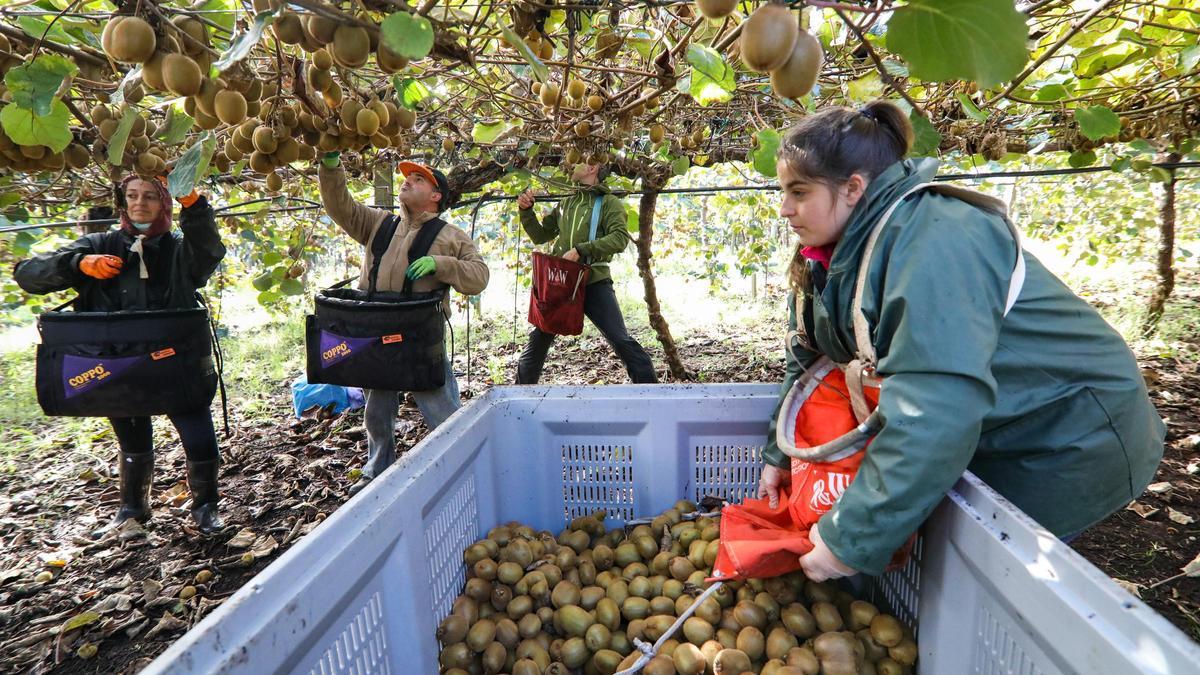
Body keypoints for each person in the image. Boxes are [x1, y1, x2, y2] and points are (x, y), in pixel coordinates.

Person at [758, 100, 1165, 582]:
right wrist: (779, 454)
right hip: (983, 428)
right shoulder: (826, 257)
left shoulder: (936, 238)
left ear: (852, 188)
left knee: (1007, 582)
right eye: (783, 192)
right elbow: (806, 358)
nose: (784, 209)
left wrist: (851, 539)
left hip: (1064, 436)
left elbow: (936, 404)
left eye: (798, 192)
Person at [14, 176, 228, 536]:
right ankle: (133, 508)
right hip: (117, 361)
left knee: (196, 427)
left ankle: (206, 506)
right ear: (122, 202)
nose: (139, 203)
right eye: (131, 196)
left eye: (149, 196)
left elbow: (208, 253)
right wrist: (79, 265)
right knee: (130, 431)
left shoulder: (178, 248)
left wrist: (196, 207)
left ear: (164, 203)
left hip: (174, 359)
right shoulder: (100, 244)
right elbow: (28, 274)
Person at [318, 152, 489, 495]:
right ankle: (377, 468)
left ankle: (468, 465)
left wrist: (441, 264)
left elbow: (478, 277)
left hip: (418, 336)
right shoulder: (378, 224)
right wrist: (331, 168)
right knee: (376, 409)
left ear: (436, 195)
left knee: (440, 405)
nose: (407, 180)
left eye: (418, 178)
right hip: (375, 331)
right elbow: (340, 207)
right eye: (407, 177)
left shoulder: (451, 236)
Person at [515, 161, 657, 384]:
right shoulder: (567, 202)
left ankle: (650, 391)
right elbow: (541, 236)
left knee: (619, 339)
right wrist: (526, 212)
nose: (568, 163)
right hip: (562, 282)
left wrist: (582, 249)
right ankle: (520, 395)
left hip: (594, 280)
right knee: (538, 339)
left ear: (593, 167)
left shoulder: (609, 203)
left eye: (577, 159)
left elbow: (619, 238)